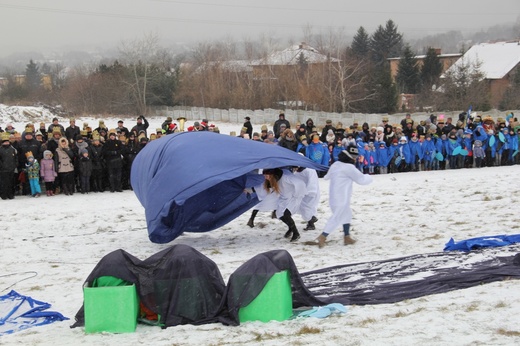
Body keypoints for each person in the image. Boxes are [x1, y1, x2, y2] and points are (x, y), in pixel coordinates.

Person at [314, 145, 373, 248]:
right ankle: (323, 236)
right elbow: (361, 180)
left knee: (347, 214)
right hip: (342, 197)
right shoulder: (349, 167)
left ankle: (347, 237)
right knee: (337, 217)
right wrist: (369, 177)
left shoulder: (336, 164)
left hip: (334, 196)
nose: (355, 159)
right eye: (354, 157)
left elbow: (326, 177)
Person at [0, 132, 18, 200]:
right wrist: (1, 166)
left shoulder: (12, 149)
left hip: (11, 168)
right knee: (4, 183)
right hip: (3, 169)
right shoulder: (0, 149)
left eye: (7, 142)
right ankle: (4, 195)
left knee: (11, 182)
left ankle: (10, 194)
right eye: (5, 142)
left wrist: (15, 164)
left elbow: (16, 157)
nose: (6, 143)